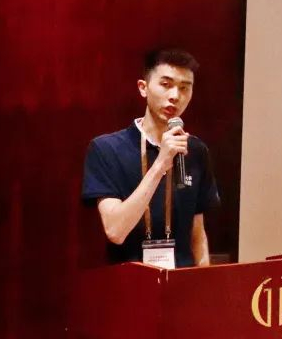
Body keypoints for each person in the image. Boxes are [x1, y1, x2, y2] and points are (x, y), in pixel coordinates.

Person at [81, 48, 219, 268]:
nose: (175, 96)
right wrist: (161, 163)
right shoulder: (106, 149)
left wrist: (205, 280)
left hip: (182, 281)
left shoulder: (195, 150)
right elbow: (115, 231)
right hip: (129, 281)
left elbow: (197, 233)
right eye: (166, 84)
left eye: (184, 88)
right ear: (143, 88)